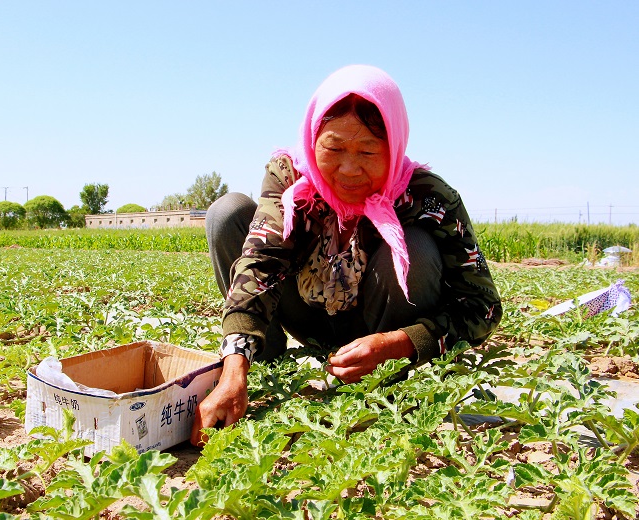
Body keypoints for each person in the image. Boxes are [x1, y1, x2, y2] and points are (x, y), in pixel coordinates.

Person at [190, 64, 502, 446]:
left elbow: (482, 307)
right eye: (334, 149)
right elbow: (262, 260)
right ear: (313, 138)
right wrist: (233, 367)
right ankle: (265, 369)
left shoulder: (429, 196)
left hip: (380, 329)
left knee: (415, 246)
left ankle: (379, 387)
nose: (349, 169)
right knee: (228, 214)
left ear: (395, 146)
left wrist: (400, 343)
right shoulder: (290, 176)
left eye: (368, 151)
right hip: (306, 313)